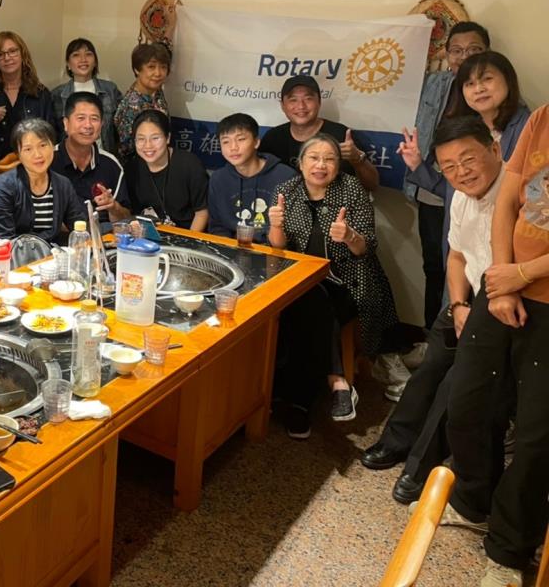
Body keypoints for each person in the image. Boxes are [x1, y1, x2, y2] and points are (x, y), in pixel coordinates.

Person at [363, 117, 510, 505]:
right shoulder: (460, 195)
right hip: (470, 297)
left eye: (469, 159)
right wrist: (458, 305)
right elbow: (457, 257)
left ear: (495, 150)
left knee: (455, 381)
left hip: (506, 305)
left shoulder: (519, 194)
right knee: (430, 367)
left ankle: (420, 467)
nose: (461, 172)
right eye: (449, 166)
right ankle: (397, 440)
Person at [439, 103, 549, 587]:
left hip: (538, 291)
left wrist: (522, 274)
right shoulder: (542, 118)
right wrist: (503, 280)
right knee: (467, 401)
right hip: (503, 283)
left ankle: (509, 548)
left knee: (537, 435)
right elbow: (508, 198)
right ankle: (474, 502)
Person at [269, 134, 399, 431]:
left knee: (308, 302)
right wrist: (275, 225)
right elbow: (278, 246)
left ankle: (297, 400)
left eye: (329, 159)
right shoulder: (285, 190)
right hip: (301, 282)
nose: (321, 165)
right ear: (300, 163)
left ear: (338, 167)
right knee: (306, 300)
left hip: (350, 281)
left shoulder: (352, 189)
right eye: (313, 158)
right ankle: (336, 381)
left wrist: (349, 236)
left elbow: (366, 248)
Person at [402, 22, 490, 330]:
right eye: (456, 50)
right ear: (446, 53)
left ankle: (465, 336)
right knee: (435, 266)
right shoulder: (435, 83)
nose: (464, 57)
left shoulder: (495, 92)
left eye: (473, 50)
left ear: (487, 53)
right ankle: (433, 336)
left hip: (476, 195)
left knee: (474, 267)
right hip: (432, 189)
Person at [259, 75, 379, 192]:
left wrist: (357, 159)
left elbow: (372, 185)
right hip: (286, 204)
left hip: (336, 204)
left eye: (308, 99)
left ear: (319, 102)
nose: (301, 106)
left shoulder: (341, 135)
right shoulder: (273, 138)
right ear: (283, 106)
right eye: (293, 100)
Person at [0, 118, 86, 245]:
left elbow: (79, 226)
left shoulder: (63, 184)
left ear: (53, 146)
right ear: (18, 154)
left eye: (43, 145)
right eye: (28, 149)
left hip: (52, 254)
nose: (38, 155)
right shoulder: (4, 186)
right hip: (15, 254)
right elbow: (2, 240)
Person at [208, 112, 295, 241]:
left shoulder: (286, 176)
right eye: (226, 141)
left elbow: (294, 230)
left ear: (256, 142)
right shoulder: (218, 179)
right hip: (230, 248)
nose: (233, 147)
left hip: (275, 248)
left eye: (241, 139)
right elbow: (217, 226)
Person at [51, 92, 130, 227]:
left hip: (104, 237)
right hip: (61, 239)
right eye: (80, 118)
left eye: (94, 119)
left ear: (102, 124)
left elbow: (125, 218)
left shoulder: (111, 164)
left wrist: (113, 207)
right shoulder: (48, 161)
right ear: (66, 123)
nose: (88, 125)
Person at [124, 110, 208, 231]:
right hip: (151, 236)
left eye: (155, 138)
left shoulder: (189, 164)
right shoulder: (132, 169)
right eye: (141, 139)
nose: (148, 146)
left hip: (189, 235)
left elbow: (202, 213)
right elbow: (133, 214)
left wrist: (188, 241)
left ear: (167, 138)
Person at [0, 31, 55, 162]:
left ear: (23, 54)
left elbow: (51, 135)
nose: (7, 58)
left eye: (12, 51)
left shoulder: (40, 93)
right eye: (0, 54)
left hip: (31, 165)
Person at [50, 38, 123, 154]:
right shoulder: (57, 95)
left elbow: (121, 128)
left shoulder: (110, 90)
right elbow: (53, 134)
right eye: (76, 55)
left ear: (95, 62)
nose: (83, 59)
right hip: (69, 158)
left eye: (88, 54)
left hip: (104, 156)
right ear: (68, 64)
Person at [114, 42, 171, 163]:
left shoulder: (156, 91)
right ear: (137, 69)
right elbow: (127, 150)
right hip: (139, 167)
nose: (158, 73)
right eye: (151, 67)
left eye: (163, 67)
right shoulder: (131, 106)